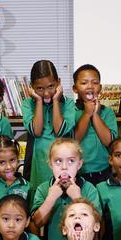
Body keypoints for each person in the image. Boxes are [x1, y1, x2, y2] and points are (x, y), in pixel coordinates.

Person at [30, 138, 101, 240]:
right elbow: (37, 222)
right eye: (58, 161)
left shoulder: (89, 189)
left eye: (71, 161)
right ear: (50, 164)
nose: (64, 167)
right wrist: (50, 198)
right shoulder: (43, 189)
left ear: (79, 164)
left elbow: (96, 224)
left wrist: (77, 198)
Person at [22, 60, 76, 190]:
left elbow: (59, 130)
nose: (46, 93)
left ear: (59, 82)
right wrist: (39, 101)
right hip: (38, 164)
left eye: (51, 86)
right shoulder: (28, 104)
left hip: (63, 163)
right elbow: (37, 131)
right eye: (40, 88)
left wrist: (56, 100)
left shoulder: (68, 104)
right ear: (32, 87)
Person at [72, 64, 118, 185]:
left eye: (95, 82)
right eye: (84, 83)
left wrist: (95, 115)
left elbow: (109, 142)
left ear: (100, 87)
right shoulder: (71, 112)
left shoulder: (107, 112)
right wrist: (87, 114)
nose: (90, 86)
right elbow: (74, 139)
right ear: (75, 88)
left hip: (105, 171)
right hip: (79, 171)